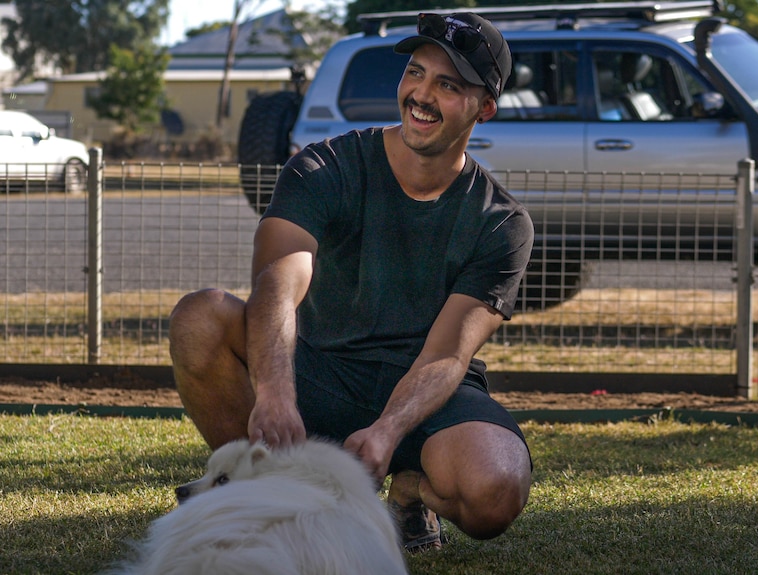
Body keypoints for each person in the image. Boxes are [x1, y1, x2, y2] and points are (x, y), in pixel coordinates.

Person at [168, 12, 534, 552]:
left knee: (494, 491)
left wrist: (388, 429)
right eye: (415, 72)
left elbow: (447, 356)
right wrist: (273, 392)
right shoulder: (327, 165)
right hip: (318, 371)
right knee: (199, 318)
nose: (421, 94)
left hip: (421, 389)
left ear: (484, 107)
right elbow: (279, 281)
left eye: (448, 85)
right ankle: (266, 497)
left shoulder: (502, 222)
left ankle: (409, 492)